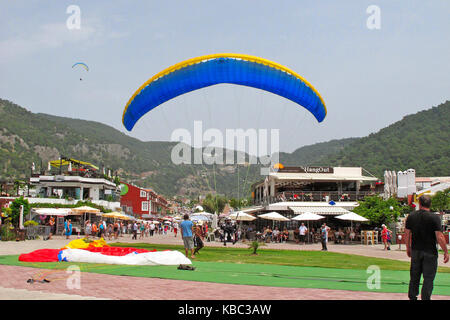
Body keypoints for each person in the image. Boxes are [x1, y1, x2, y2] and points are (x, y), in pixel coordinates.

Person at [405, 195, 449, 300]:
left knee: (414, 276)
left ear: (419, 203)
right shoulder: (434, 217)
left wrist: (408, 248)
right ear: (430, 204)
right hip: (430, 251)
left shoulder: (411, 216)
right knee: (428, 278)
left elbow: (407, 234)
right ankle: (425, 297)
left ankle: (413, 296)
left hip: (416, 250)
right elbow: (440, 236)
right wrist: (446, 251)